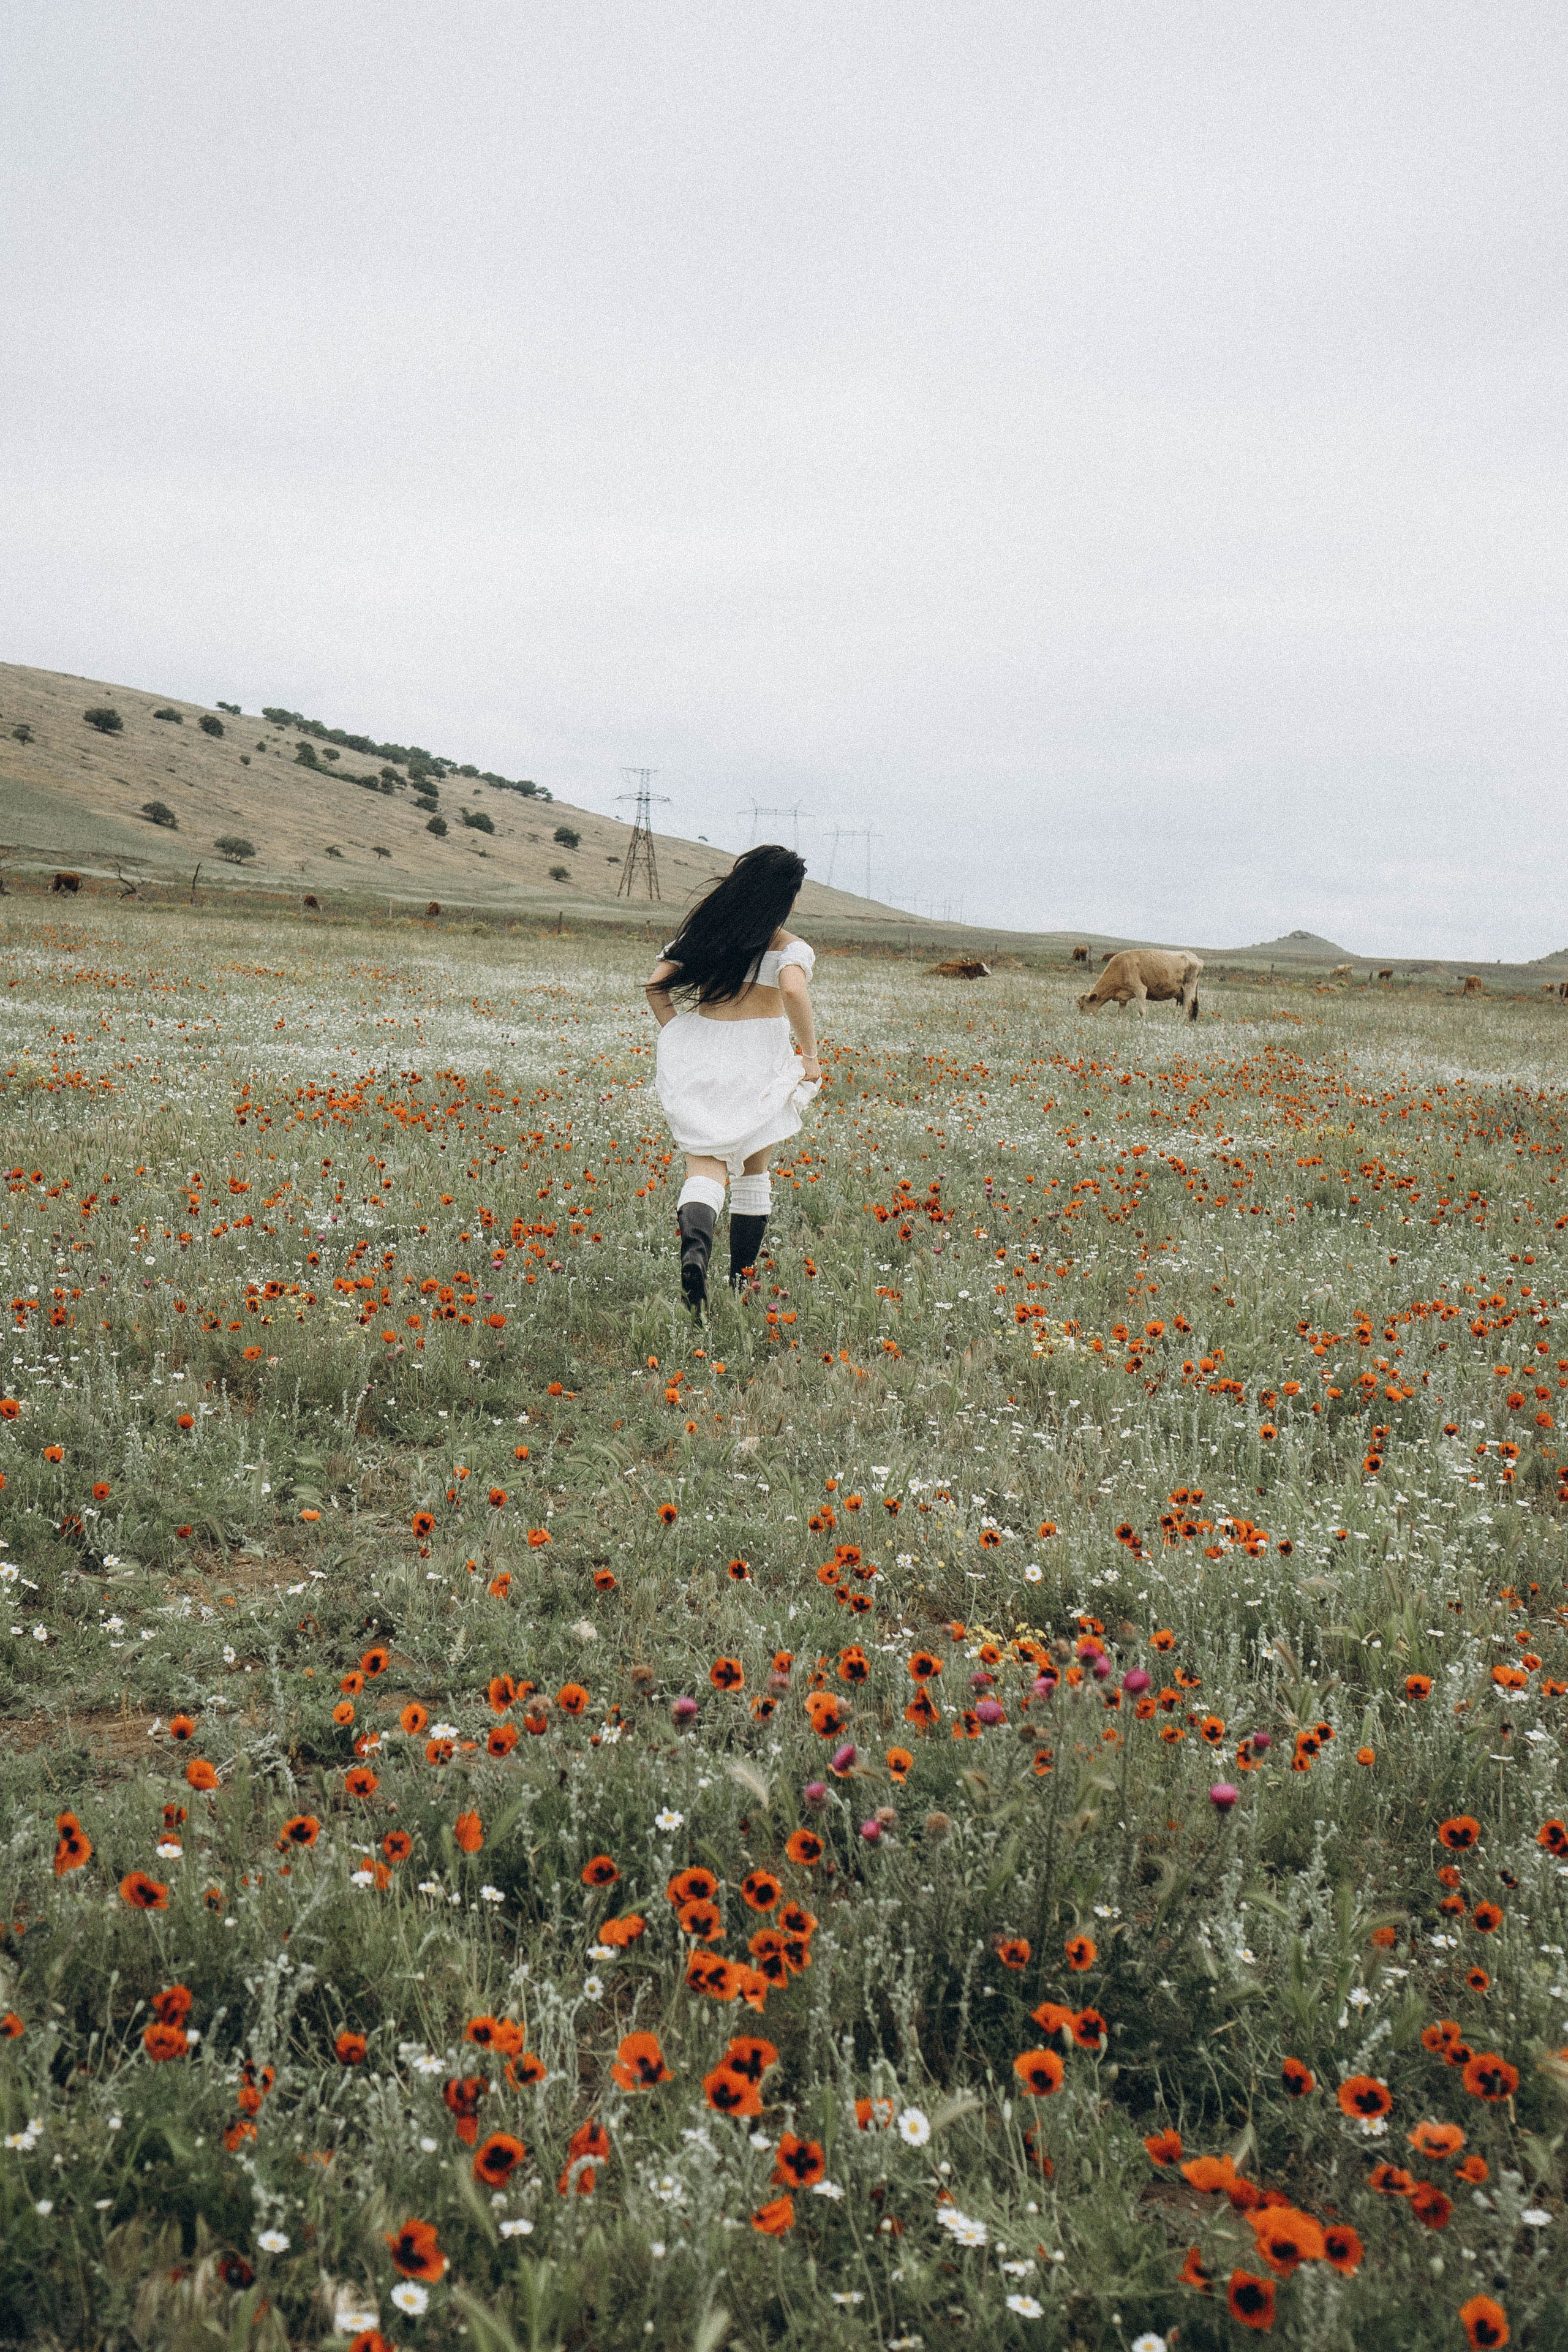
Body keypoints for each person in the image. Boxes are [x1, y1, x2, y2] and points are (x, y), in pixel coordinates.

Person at [645, 844, 821, 1308]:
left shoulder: (707, 936)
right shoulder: (790, 947)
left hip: (702, 1049)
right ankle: (741, 1281)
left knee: (705, 1167)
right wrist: (810, 1055)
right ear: (788, 898)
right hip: (757, 1058)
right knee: (753, 1170)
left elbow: (655, 985)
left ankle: (695, 1253)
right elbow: (793, 989)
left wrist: (679, 1034)